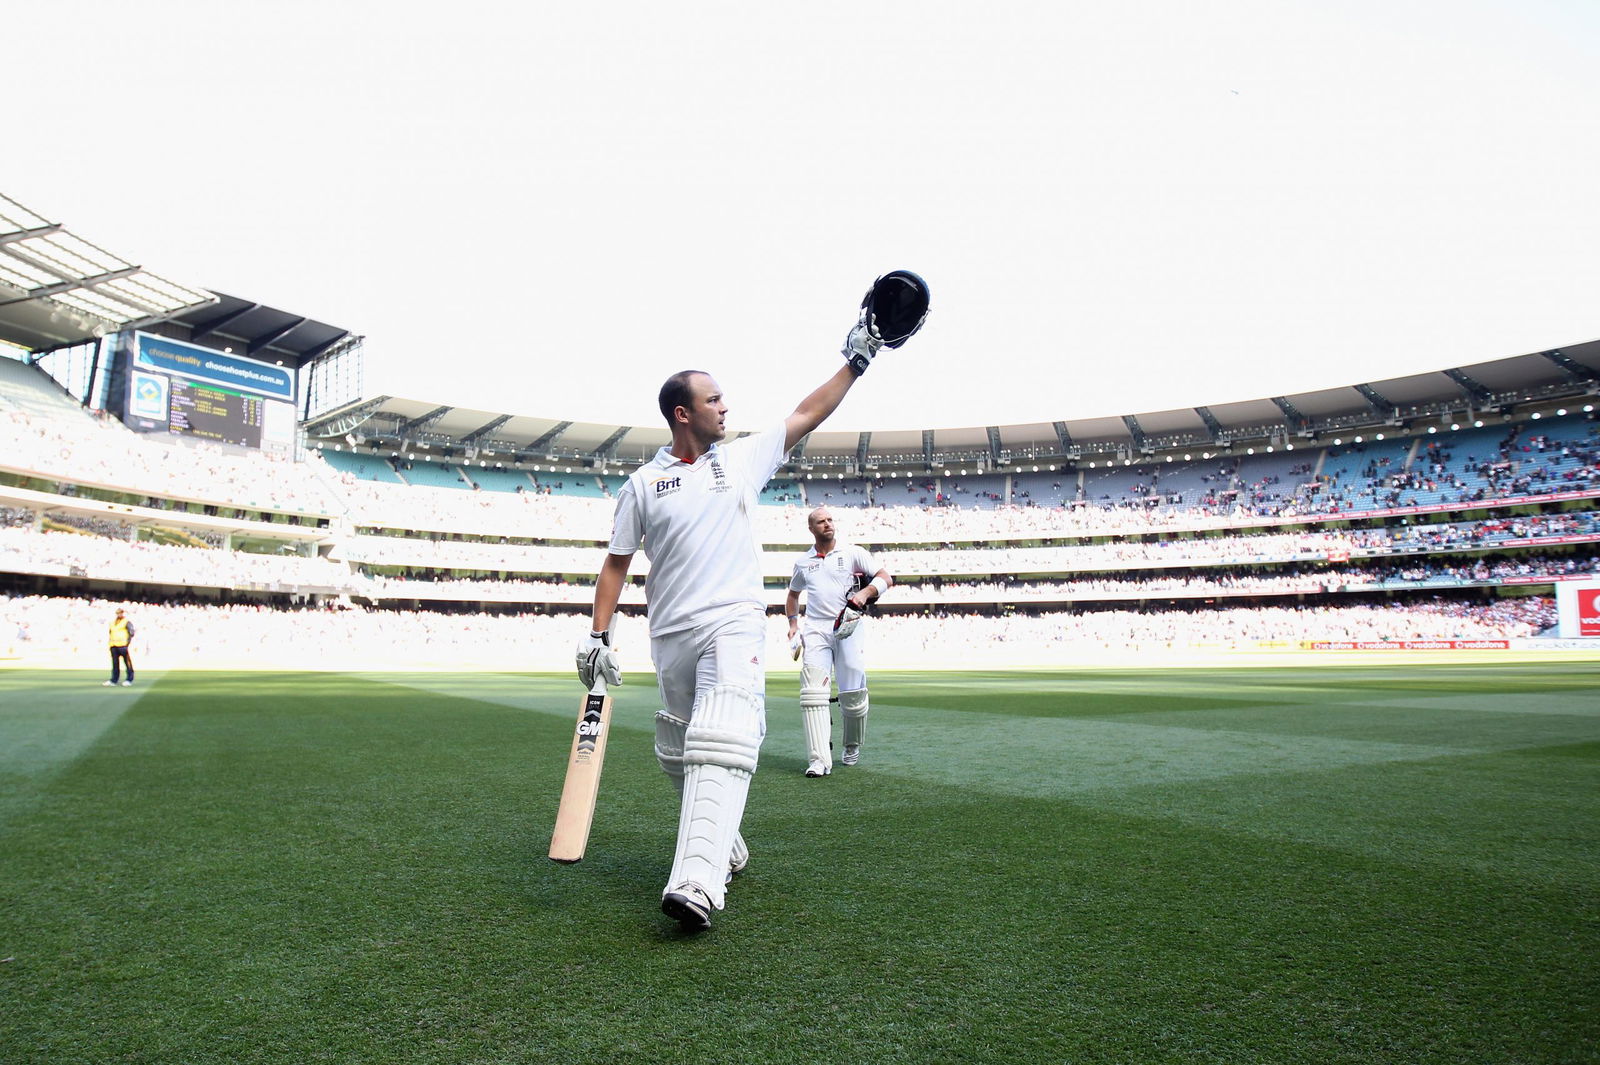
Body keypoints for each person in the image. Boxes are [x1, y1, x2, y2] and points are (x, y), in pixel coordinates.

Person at [578, 293, 917, 933]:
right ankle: (723, 844)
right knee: (676, 748)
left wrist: (859, 358)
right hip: (669, 635)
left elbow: (805, 414)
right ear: (683, 414)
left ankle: (696, 884)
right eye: (713, 400)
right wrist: (598, 636)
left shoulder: (740, 461)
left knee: (725, 730)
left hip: (733, 621)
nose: (725, 407)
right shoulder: (642, 486)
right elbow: (616, 565)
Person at [784, 507, 893, 777]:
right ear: (812, 529)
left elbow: (885, 577)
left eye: (830, 520)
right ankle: (818, 760)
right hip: (816, 629)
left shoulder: (852, 552)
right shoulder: (803, 562)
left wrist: (866, 592)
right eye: (821, 522)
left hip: (848, 625)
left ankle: (851, 745)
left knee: (853, 690)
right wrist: (793, 625)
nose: (827, 524)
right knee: (812, 693)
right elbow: (793, 595)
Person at [105, 607, 135, 686]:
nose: (119, 614)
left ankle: (129, 679)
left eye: (120, 613)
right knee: (115, 663)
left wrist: (127, 643)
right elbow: (110, 632)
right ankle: (114, 679)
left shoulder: (126, 622)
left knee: (127, 662)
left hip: (122, 645)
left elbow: (131, 632)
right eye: (118, 613)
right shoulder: (112, 623)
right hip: (113, 645)